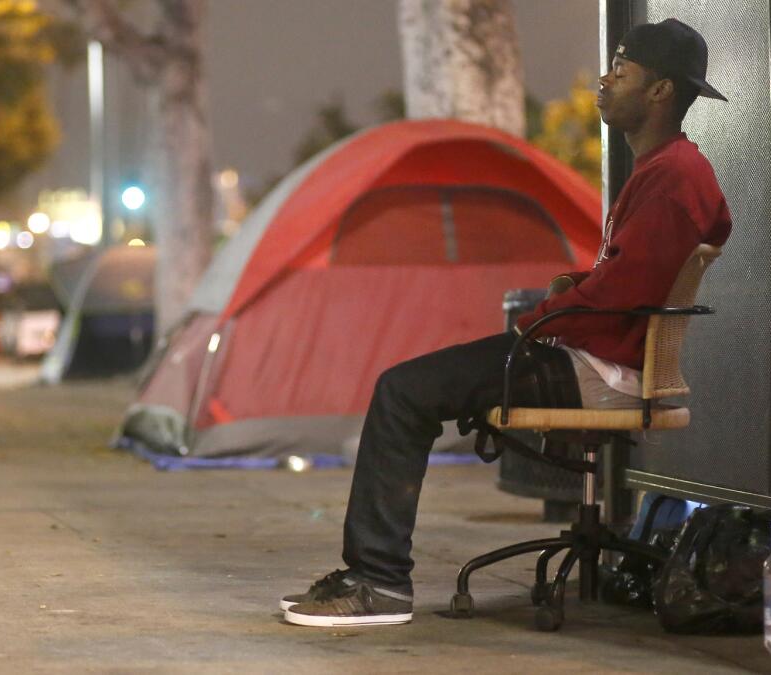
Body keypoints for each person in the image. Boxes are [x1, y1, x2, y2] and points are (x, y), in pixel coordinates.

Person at [281, 17, 734, 628]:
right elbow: (624, 279)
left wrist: (536, 322)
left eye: (620, 72)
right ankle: (372, 573)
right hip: (595, 352)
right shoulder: (664, 169)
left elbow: (621, 296)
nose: (603, 81)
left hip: (599, 368)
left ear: (659, 92)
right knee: (418, 382)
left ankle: (379, 583)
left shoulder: (675, 177)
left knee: (401, 391)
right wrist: (569, 296)